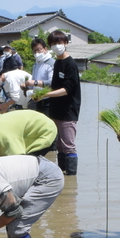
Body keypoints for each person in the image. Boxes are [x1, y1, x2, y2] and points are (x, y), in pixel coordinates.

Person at [39, 30, 81, 175]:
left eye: (59, 43)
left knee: (68, 145)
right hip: (56, 110)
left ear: (66, 43)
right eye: (53, 44)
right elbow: (55, 85)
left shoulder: (70, 64)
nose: (57, 46)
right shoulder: (57, 63)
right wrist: (40, 90)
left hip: (68, 110)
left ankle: (71, 175)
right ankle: (62, 173)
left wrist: (45, 94)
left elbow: (67, 89)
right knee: (59, 145)